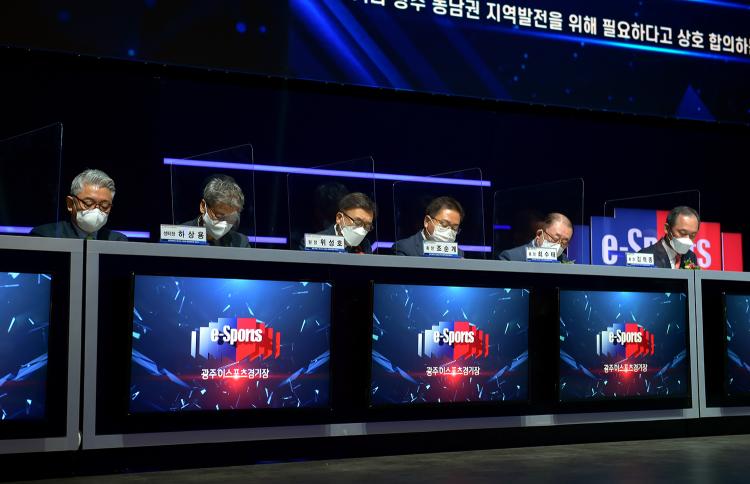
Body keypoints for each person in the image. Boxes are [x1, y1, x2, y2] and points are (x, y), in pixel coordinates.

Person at [31, 168, 127, 241]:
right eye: (88, 203)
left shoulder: (118, 241)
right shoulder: (46, 236)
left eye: (104, 205)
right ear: (70, 203)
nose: (96, 210)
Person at [182, 174, 250, 248]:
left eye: (229, 219)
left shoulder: (240, 242)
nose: (223, 225)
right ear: (203, 206)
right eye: (219, 217)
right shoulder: (180, 235)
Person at [301, 192, 376, 254]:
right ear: (339, 218)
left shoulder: (365, 245)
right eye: (357, 222)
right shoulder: (313, 243)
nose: (362, 230)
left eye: (367, 226)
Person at [392, 196, 464, 257]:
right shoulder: (404, 248)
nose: (449, 231)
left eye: (454, 228)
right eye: (444, 224)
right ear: (427, 221)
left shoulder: (458, 253)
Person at [498, 212, 572, 262]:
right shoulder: (511, 258)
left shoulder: (564, 261)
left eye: (564, 242)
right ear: (539, 234)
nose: (558, 245)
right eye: (555, 239)